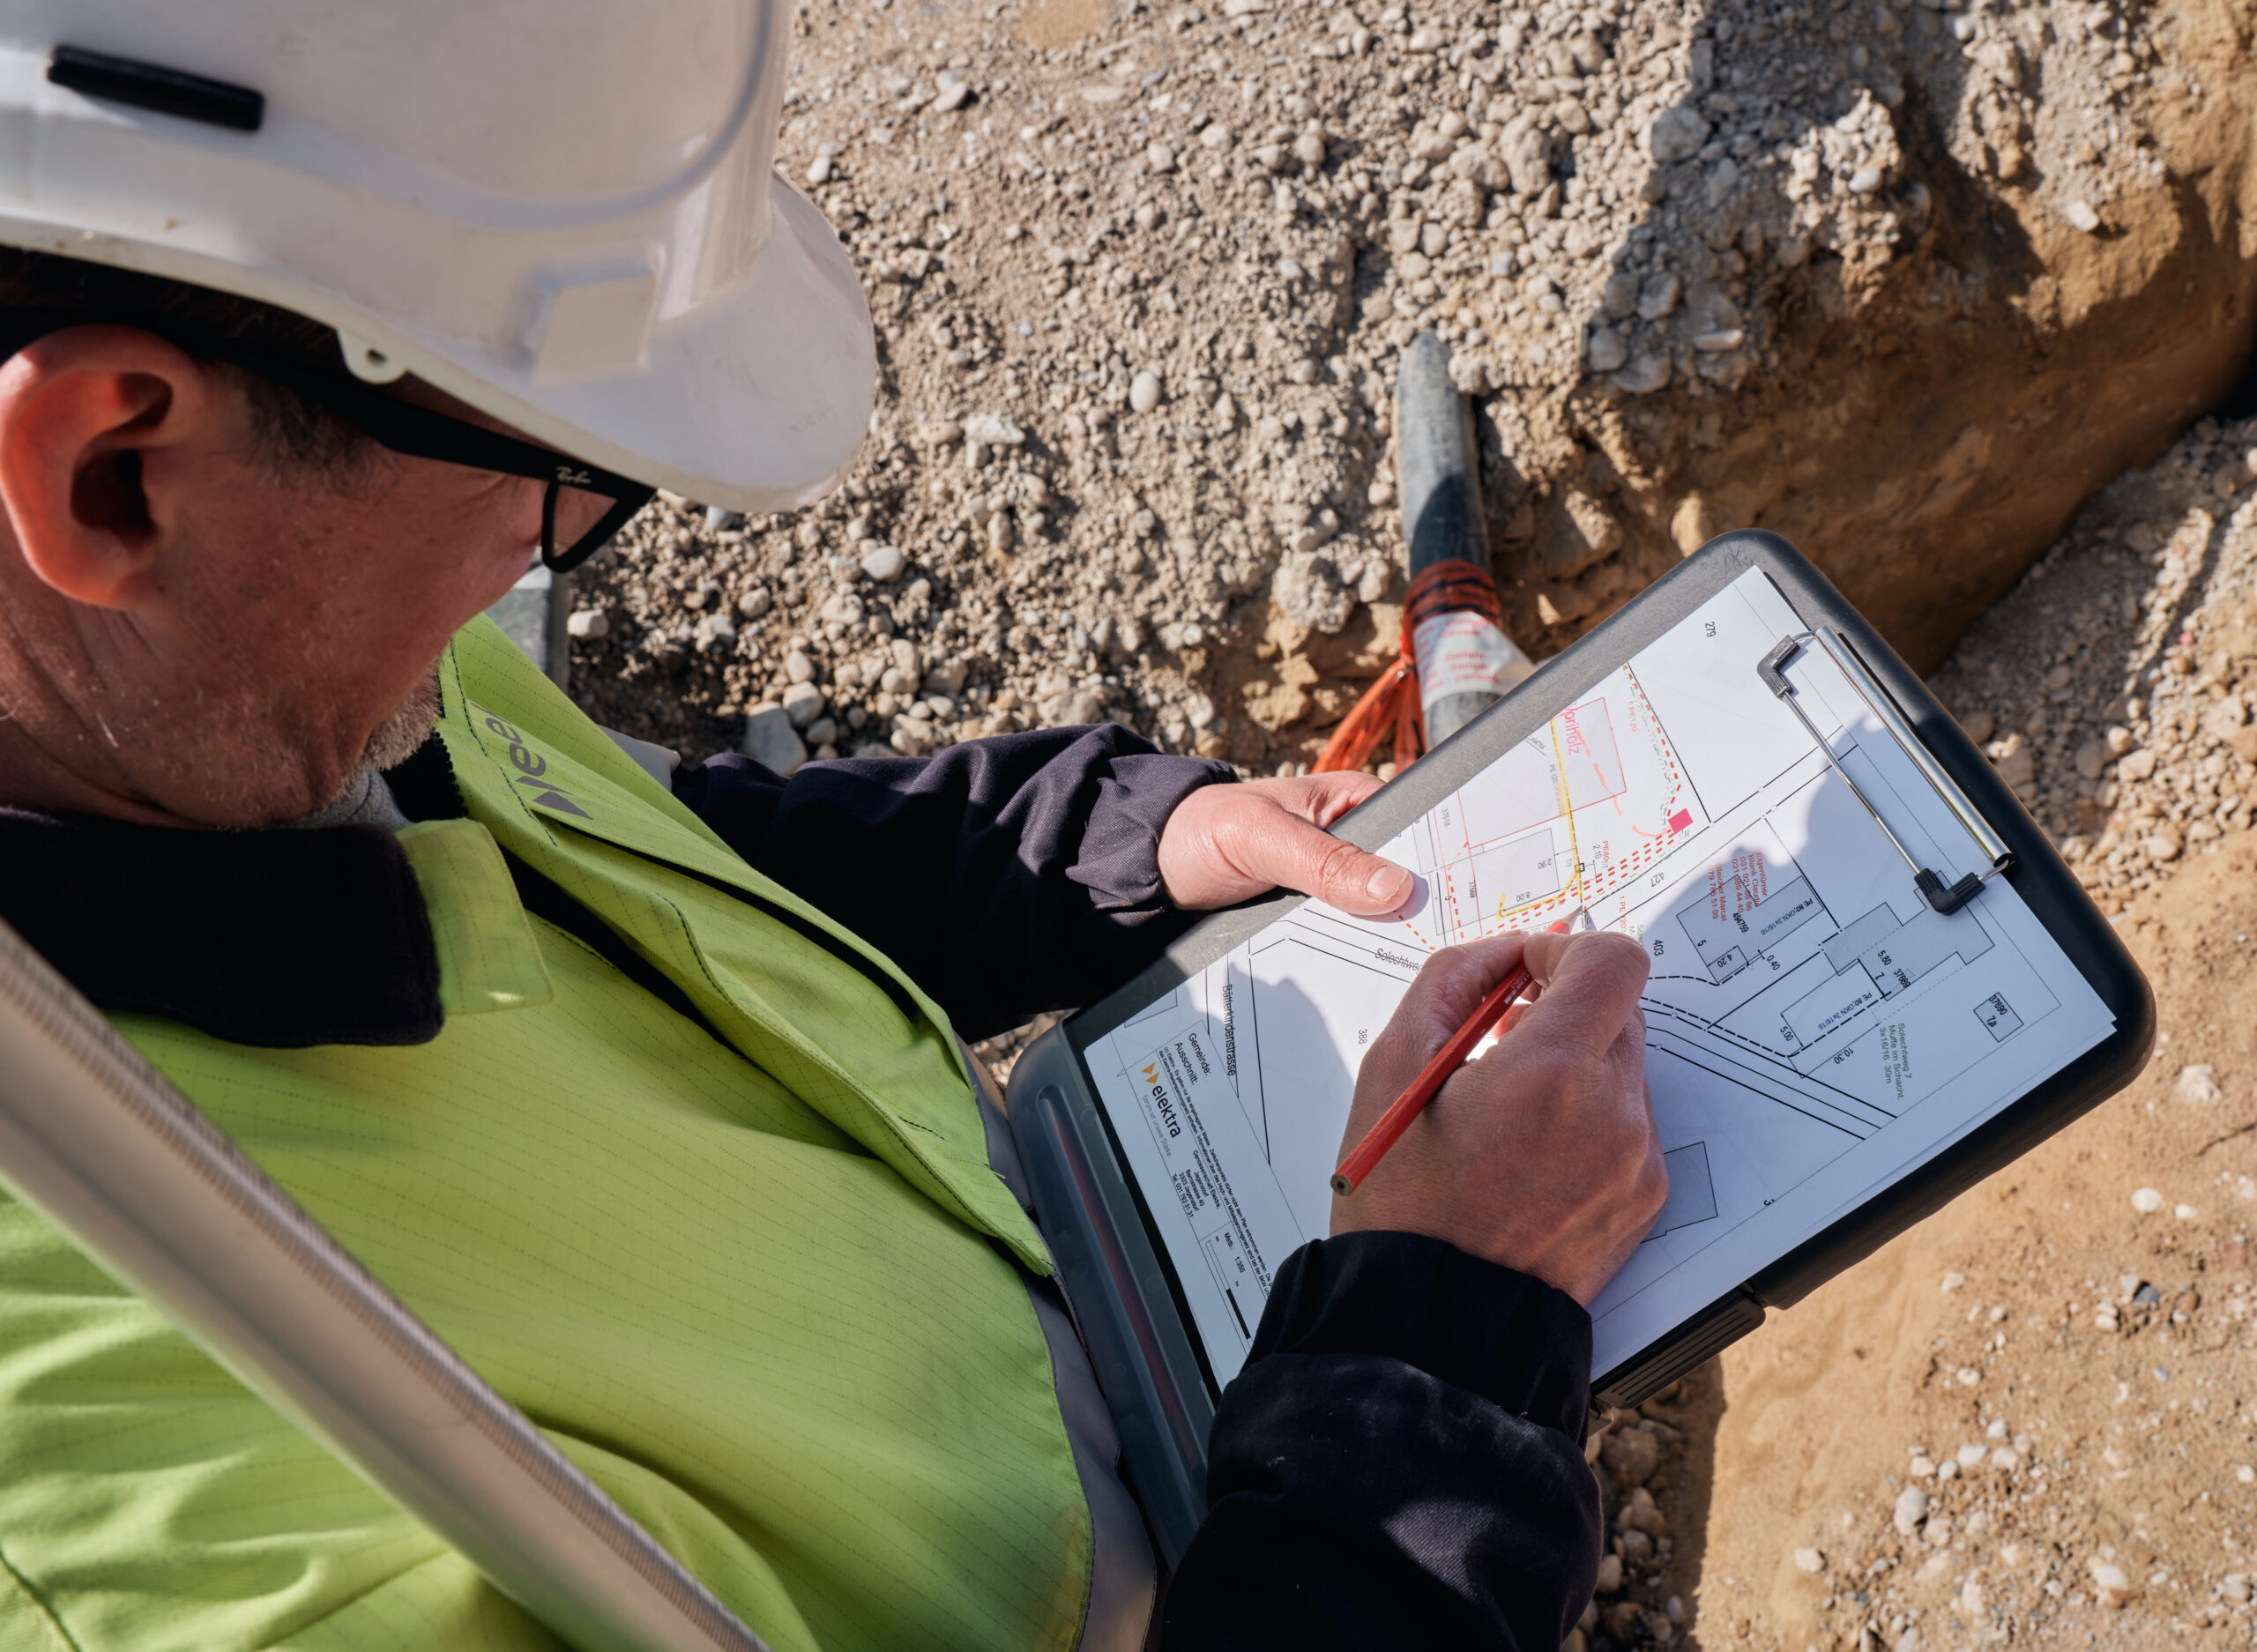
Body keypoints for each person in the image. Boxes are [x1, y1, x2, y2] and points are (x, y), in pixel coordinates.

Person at [0, 10, 1665, 1650]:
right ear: (112, 472)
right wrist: (1434, 1356)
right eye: (556, 476)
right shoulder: (120, 1474)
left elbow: (652, 858)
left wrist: (1101, 838)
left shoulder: (214, 684)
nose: (541, 554)